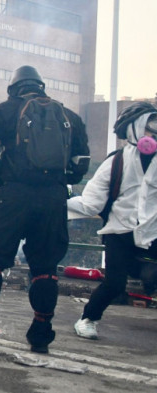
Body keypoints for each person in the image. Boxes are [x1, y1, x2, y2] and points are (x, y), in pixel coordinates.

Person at [0, 65, 89, 354]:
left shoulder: (5, 111)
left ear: (13, 87)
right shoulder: (71, 118)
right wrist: (60, 182)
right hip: (53, 200)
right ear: (41, 86)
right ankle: (41, 333)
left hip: (14, 195)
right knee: (45, 267)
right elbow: (81, 166)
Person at [68, 102, 157, 340]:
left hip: (152, 235)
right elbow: (91, 203)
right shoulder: (116, 162)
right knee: (115, 284)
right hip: (120, 233)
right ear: (134, 130)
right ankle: (87, 319)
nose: (154, 133)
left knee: (151, 278)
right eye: (149, 127)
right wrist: (57, 201)